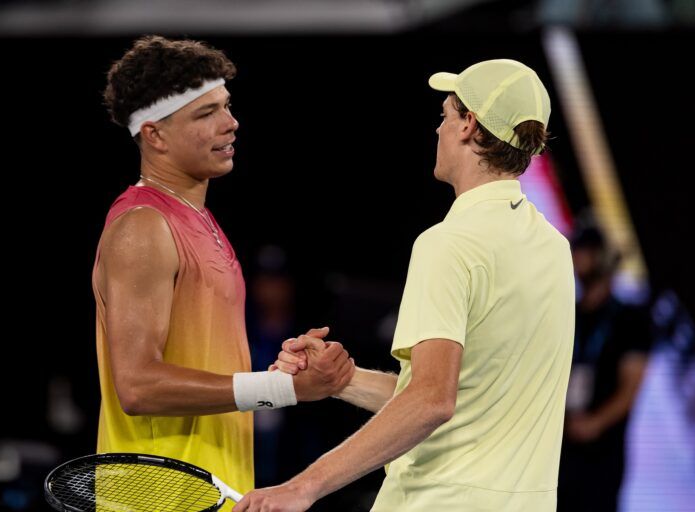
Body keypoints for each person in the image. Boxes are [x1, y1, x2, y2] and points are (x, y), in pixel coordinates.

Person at [235, 59, 575, 512]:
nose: (438, 129)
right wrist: (343, 380)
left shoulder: (449, 244)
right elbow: (458, 400)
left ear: (469, 125)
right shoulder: (554, 248)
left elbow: (431, 401)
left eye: (444, 115)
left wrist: (303, 487)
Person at [92, 35, 354, 509]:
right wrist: (281, 389)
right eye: (205, 113)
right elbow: (138, 386)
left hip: (215, 492)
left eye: (226, 106)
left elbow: (205, 363)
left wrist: (281, 371)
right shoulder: (143, 227)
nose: (231, 123)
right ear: (155, 135)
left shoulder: (200, 222)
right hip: (156, 500)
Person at [558, 224, 650, 512]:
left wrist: (595, 423)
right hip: (559, 450)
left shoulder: (629, 319)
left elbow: (631, 387)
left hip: (601, 455)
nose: (576, 259)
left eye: (584, 251)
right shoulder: (566, 315)